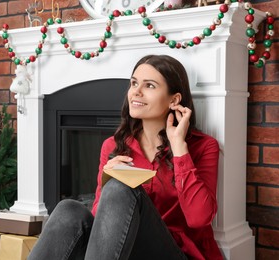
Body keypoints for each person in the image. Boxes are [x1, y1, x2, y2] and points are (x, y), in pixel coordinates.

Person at [28, 54, 223, 260]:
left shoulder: (203, 146)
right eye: (134, 83)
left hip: (174, 253)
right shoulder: (112, 146)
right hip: (125, 249)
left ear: (174, 99)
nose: (136, 92)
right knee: (68, 210)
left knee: (119, 186)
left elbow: (198, 219)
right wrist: (106, 182)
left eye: (149, 86)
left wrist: (179, 147)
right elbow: (100, 223)